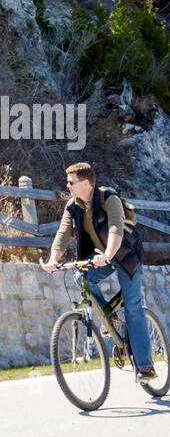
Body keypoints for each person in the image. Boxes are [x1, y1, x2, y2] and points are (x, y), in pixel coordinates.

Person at [42, 161, 155, 381]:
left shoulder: (108, 198)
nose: (67, 186)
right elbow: (63, 233)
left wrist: (109, 255)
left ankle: (145, 366)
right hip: (99, 255)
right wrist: (53, 260)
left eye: (71, 182)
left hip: (125, 255)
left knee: (132, 306)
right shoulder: (73, 206)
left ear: (85, 183)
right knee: (80, 276)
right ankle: (109, 319)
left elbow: (115, 228)